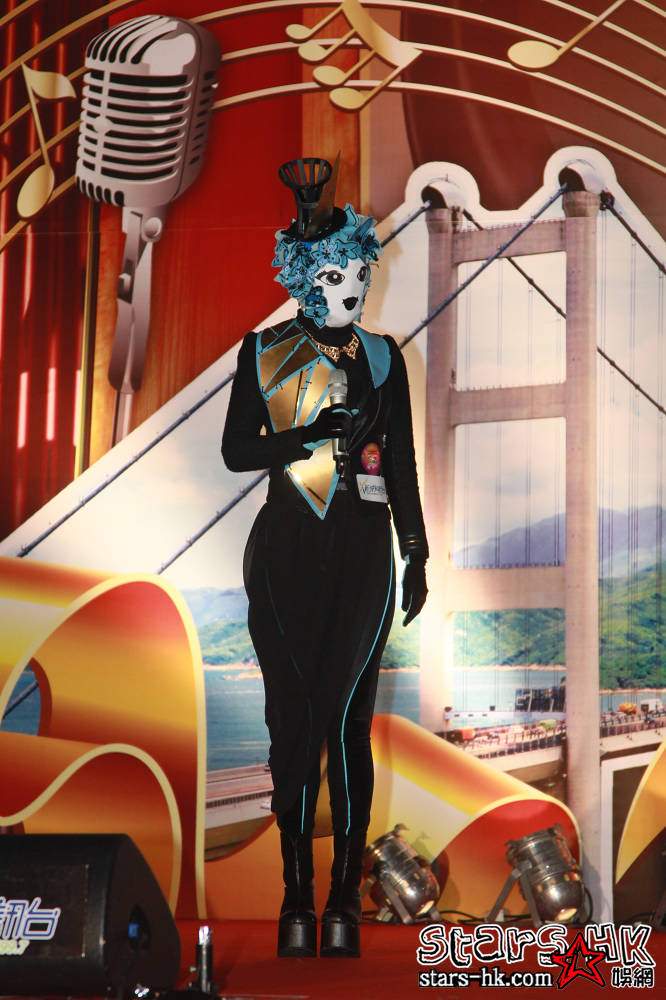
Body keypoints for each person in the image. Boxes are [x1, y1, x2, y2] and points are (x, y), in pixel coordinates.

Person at [221, 157, 429, 959]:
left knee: (347, 721)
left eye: (361, 274)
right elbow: (238, 451)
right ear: (307, 281)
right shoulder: (264, 351)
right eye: (338, 276)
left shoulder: (382, 357)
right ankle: (295, 895)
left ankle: (343, 895)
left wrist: (416, 549)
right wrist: (306, 436)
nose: (355, 289)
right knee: (294, 722)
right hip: (286, 549)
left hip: (364, 551)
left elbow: (399, 461)